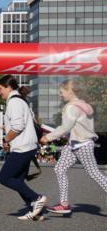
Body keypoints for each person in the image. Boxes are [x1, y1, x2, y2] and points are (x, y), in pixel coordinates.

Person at [40, 79, 107, 216]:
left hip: (82, 145)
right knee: (59, 168)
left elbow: (65, 127)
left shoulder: (71, 107)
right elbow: (78, 127)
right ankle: (64, 204)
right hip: (74, 144)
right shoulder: (84, 105)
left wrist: (48, 137)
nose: (60, 95)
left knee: (94, 173)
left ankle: (64, 204)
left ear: (70, 91)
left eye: (62, 92)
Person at [0, 76, 46, 221]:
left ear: (9, 87)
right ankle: (35, 211)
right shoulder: (21, 101)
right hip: (28, 145)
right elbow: (25, 123)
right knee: (18, 179)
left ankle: (37, 198)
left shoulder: (14, 102)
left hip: (22, 147)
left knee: (4, 178)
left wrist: (5, 140)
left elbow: (18, 127)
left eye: (0, 88)